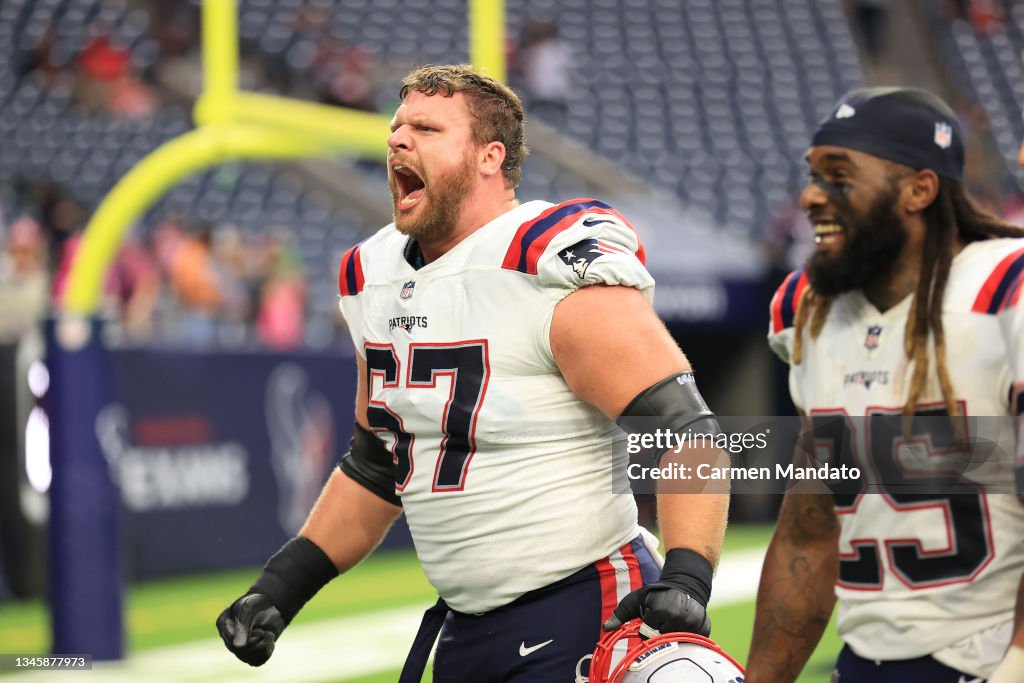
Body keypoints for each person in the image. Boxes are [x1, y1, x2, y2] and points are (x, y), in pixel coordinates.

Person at [216, 64, 729, 681]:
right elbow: (380, 461)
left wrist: (688, 578)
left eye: (427, 128)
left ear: (490, 157)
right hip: (466, 632)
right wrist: (281, 586)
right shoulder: (372, 276)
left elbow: (687, 431)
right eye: (397, 127)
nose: (397, 140)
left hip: (587, 612)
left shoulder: (543, 263)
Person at [747, 87, 1024, 682]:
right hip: (869, 661)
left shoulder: (1007, 290)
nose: (812, 196)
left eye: (840, 176)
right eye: (814, 175)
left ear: (919, 191)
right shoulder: (810, 309)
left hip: (991, 656)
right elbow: (809, 533)